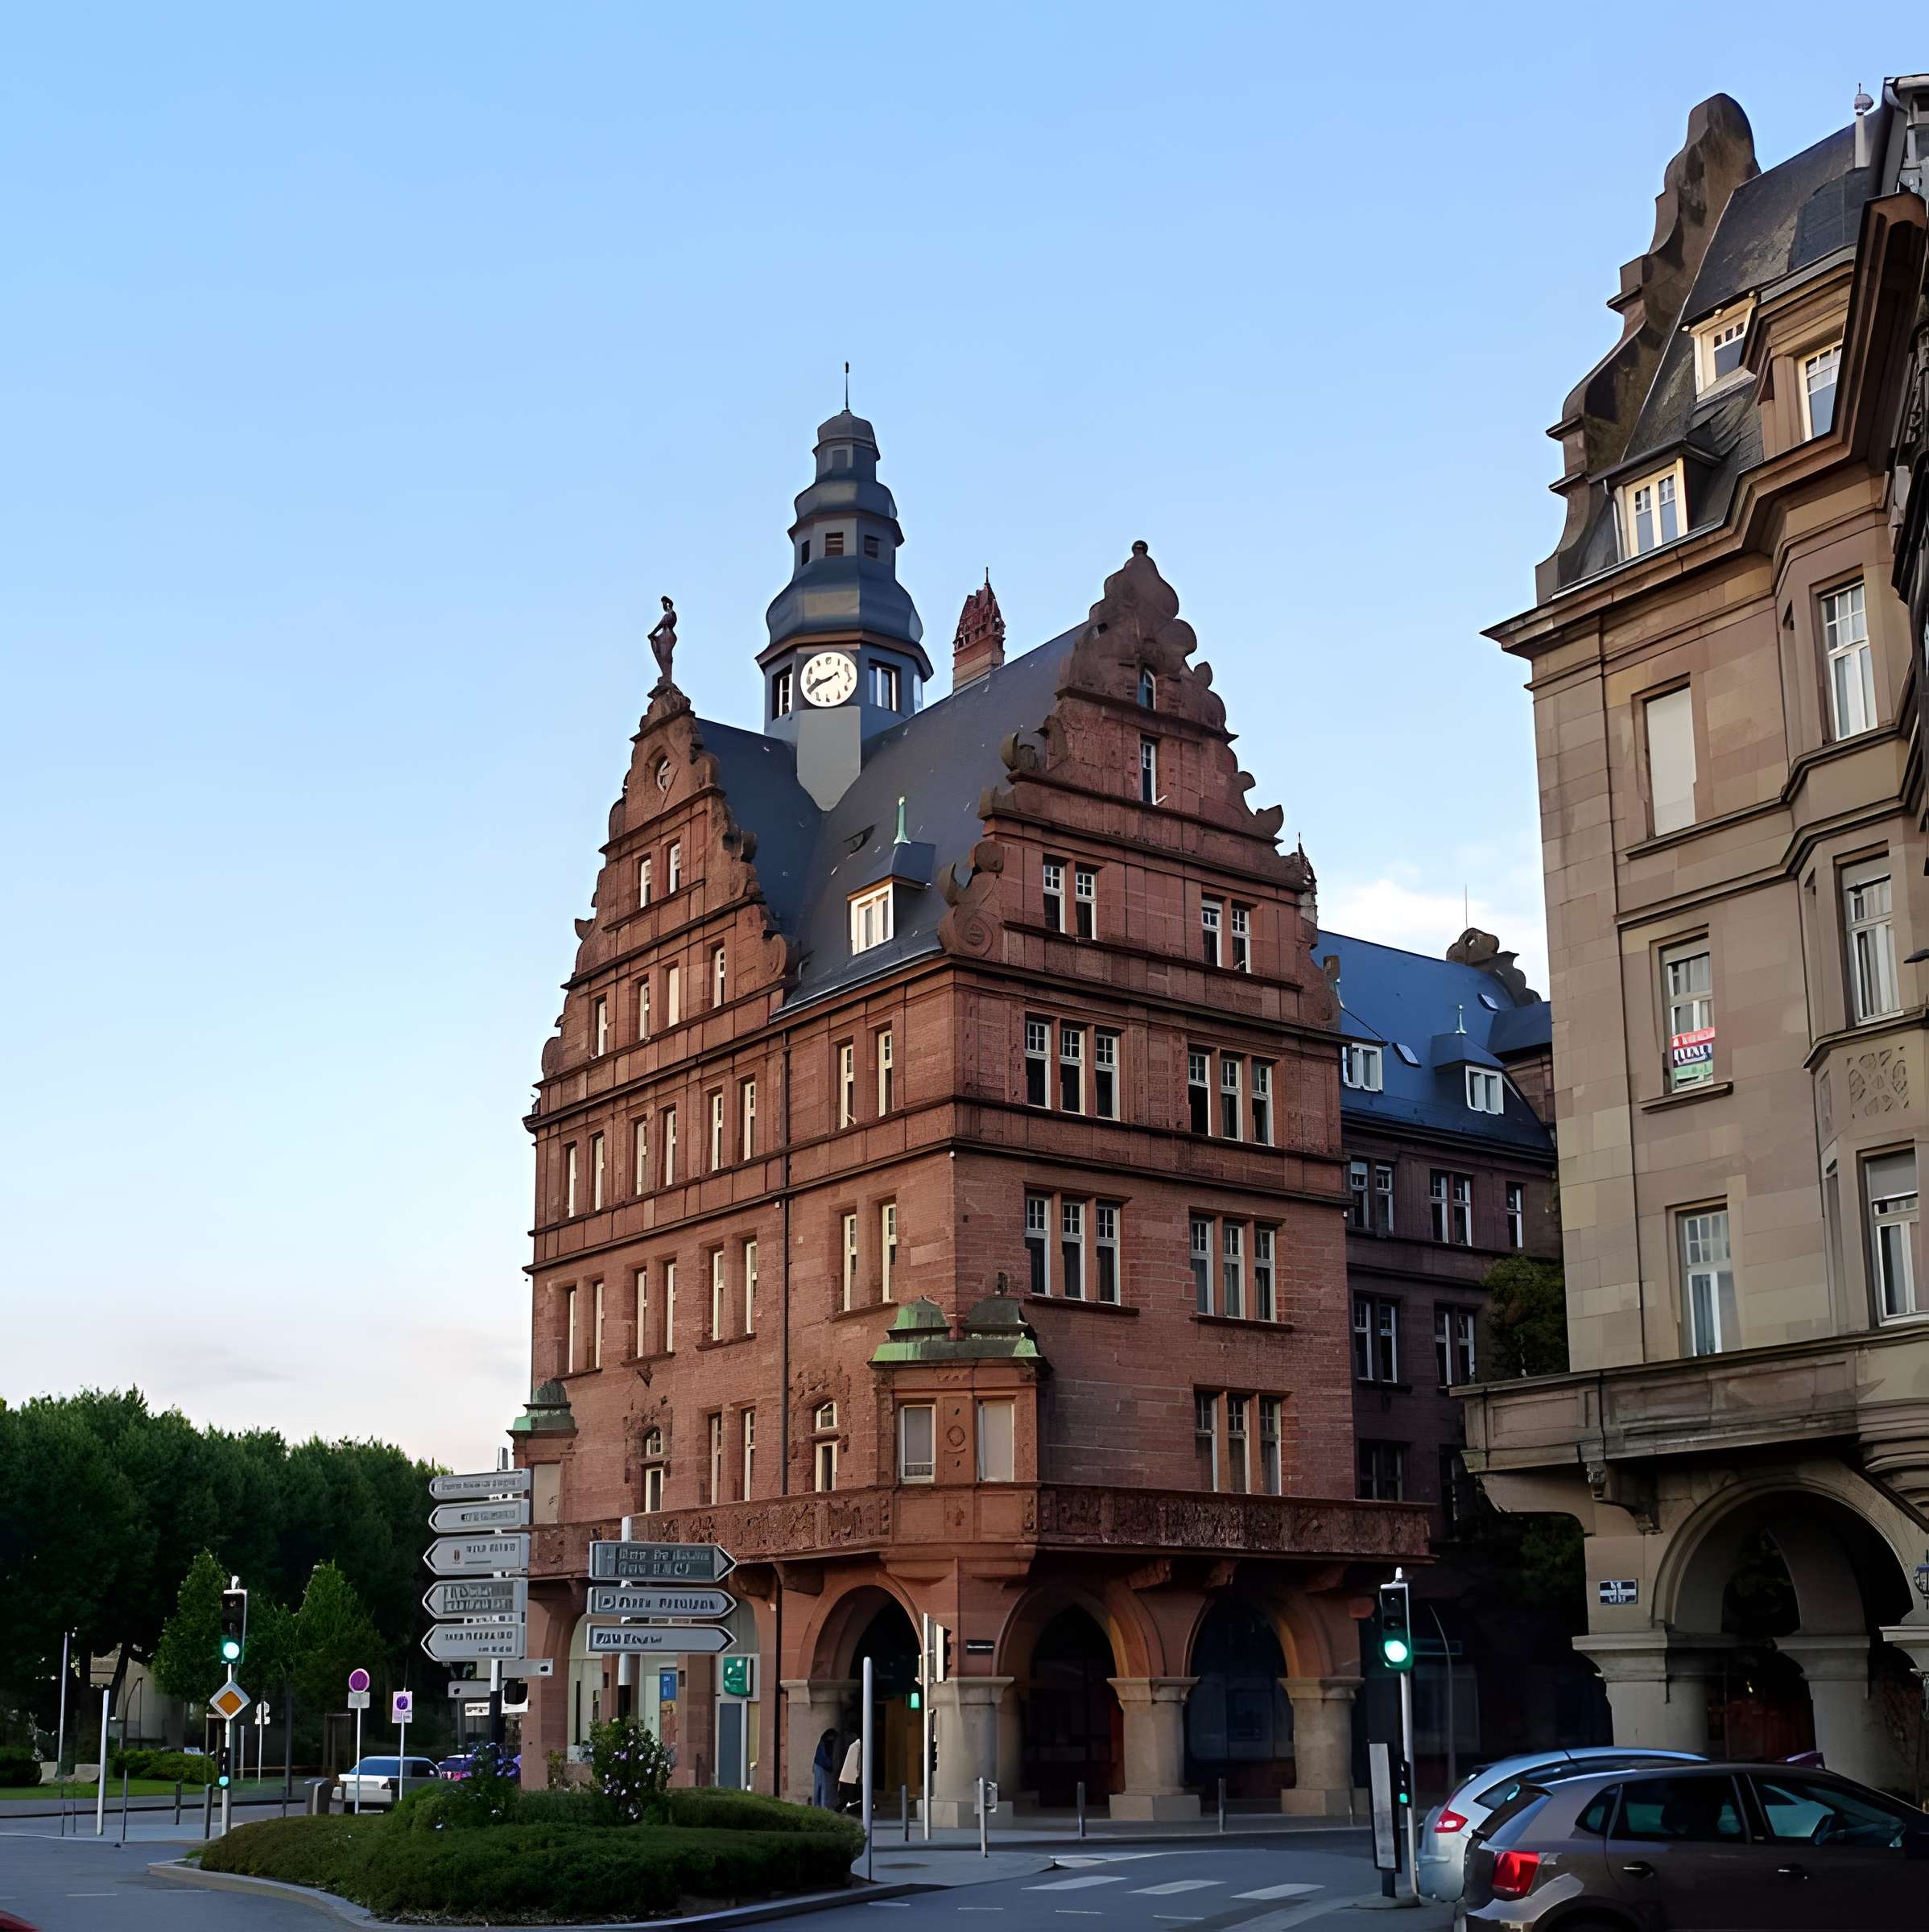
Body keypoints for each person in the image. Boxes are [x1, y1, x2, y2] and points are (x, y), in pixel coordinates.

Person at [812, 1728, 838, 1809]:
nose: (834, 1739)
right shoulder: (823, 1743)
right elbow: (823, 1757)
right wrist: (830, 1765)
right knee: (819, 1787)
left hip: (823, 1766)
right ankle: (817, 1805)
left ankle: (822, 1805)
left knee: (823, 1787)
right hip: (820, 1766)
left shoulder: (829, 1743)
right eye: (833, 1737)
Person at [837, 1732, 865, 1811]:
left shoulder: (854, 1746)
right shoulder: (857, 1747)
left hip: (846, 1778)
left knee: (845, 1799)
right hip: (852, 1779)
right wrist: (859, 1775)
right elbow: (858, 1763)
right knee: (851, 1799)